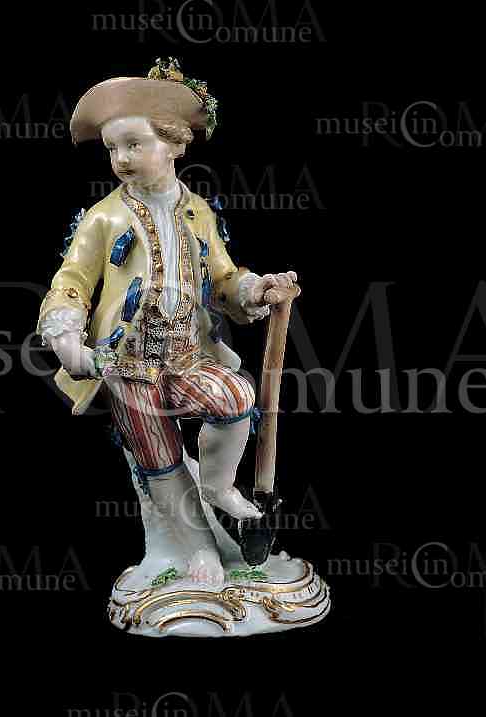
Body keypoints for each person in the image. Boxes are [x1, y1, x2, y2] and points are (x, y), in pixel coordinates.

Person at [36, 58, 299, 585]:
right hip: (125, 364)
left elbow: (223, 279)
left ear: (175, 144)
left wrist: (254, 289)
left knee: (235, 399)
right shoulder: (104, 217)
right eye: (113, 148)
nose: (121, 159)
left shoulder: (198, 211)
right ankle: (198, 548)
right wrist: (66, 337)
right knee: (158, 456)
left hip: (185, 355)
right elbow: (71, 283)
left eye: (134, 144)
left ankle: (218, 485)